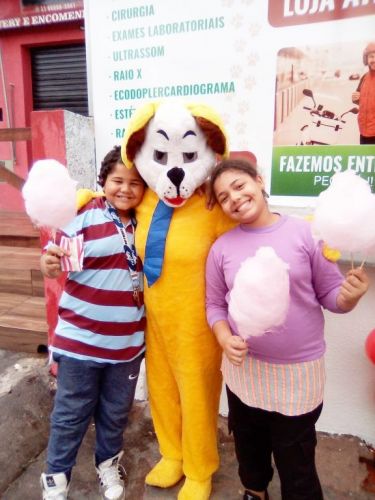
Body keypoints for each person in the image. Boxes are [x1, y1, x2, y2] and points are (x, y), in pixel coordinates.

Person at [205, 158, 369, 500]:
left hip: (298, 374)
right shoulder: (222, 248)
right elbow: (215, 305)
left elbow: (330, 296)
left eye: (239, 186)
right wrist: (223, 338)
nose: (234, 198)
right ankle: (254, 490)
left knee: (295, 457)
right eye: (224, 197)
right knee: (249, 447)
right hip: (244, 371)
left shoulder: (305, 233)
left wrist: (350, 298)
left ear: (259, 180)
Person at [39, 145, 146, 500]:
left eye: (135, 182)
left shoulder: (146, 224)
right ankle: (55, 480)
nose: (126, 189)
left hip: (126, 346)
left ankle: (108, 466)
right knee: (70, 415)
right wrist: (49, 263)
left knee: (115, 414)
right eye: (118, 180)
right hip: (80, 342)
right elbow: (54, 259)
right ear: (103, 181)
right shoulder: (84, 215)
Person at [352, 42, 375, 144]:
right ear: (366, 59)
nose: (374, 60)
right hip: (363, 133)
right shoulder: (364, 78)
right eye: (371, 56)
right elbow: (358, 100)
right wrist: (355, 99)